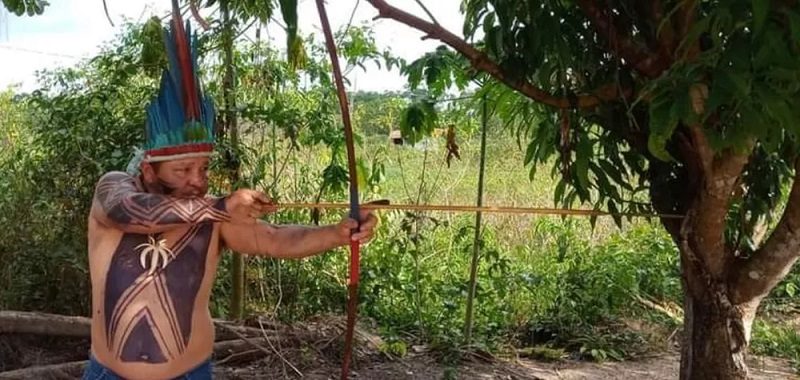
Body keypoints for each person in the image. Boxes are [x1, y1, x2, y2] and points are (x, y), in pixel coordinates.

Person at [81, 4, 376, 379]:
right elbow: (127, 211)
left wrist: (338, 232)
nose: (197, 180)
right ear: (148, 169)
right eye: (182, 170)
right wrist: (221, 206)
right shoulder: (115, 188)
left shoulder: (211, 213)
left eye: (203, 168)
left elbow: (274, 239)